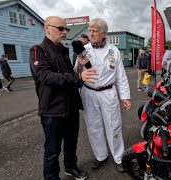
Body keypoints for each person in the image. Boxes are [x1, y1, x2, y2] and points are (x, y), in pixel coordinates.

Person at [29, 16, 97, 180]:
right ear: (47, 28)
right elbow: (46, 76)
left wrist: (80, 68)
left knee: (71, 141)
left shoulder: (64, 50)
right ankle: (51, 177)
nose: (65, 32)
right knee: (52, 149)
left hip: (71, 106)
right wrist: (78, 78)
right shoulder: (38, 50)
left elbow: (69, 75)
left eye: (66, 29)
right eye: (60, 28)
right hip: (52, 109)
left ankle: (71, 167)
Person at [74, 18, 131, 172]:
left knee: (114, 126)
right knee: (94, 127)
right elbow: (76, 73)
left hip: (108, 93)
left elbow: (121, 75)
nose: (91, 33)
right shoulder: (83, 49)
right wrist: (80, 64)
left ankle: (118, 157)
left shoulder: (114, 51)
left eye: (95, 31)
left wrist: (125, 96)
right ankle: (101, 155)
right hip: (89, 93)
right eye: (90, 30)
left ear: (104, 34)